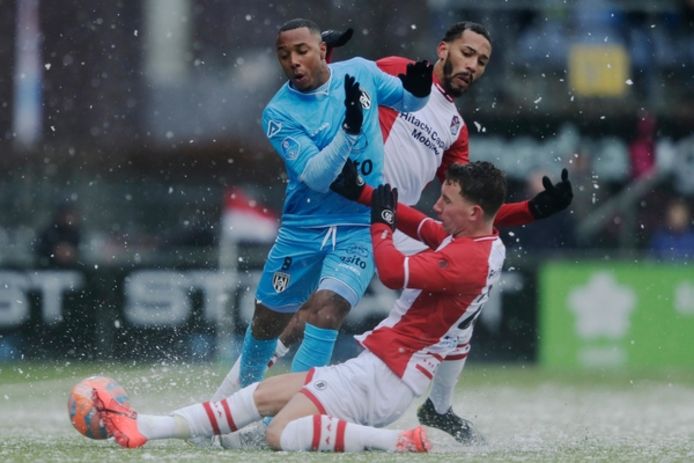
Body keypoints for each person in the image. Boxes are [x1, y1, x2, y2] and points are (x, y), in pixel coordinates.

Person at [213, 21, 573, 446]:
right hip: (346, 209)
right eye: (467, 53)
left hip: (389, 220)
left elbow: (471, 210)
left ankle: (437, 408)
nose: (472, 65)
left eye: (482, 61)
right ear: (443, 49)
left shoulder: (455, 128)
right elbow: (330, 80)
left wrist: (532, 210)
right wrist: (321, 48)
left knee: (463, 305)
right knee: (299, 314)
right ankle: (236, 404)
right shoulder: (399, 70)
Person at [93, 161, 508, 453]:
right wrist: (366, 195)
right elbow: (420, 225)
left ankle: (398, 442)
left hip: (385, 377)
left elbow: (392, 271)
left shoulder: (464, 260)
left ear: (473, 212)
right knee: (258, 396)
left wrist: (378, 224)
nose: (436, 205)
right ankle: (144, 427)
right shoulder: (486, 246)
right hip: (385, 373)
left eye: (446, 199)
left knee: (280, 435)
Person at [212, 17, 432, 408]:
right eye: (284, 55)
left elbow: (408, 101)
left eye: (301, 51)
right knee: (267, 321)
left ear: (322, 50)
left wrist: (419, 92)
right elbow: (315, 176)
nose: (293, 61)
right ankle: (240, 405)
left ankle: (285, 412)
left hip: (358, 221)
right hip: (303, 226)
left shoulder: (362, 72)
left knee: (328, 310)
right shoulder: (278, 113)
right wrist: (349, 131)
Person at [35, 203, 82, 268]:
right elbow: (39, 250)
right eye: (64, 214)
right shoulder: (48, 233)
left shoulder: (77, 233)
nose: (67, 218)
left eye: (69, 214)